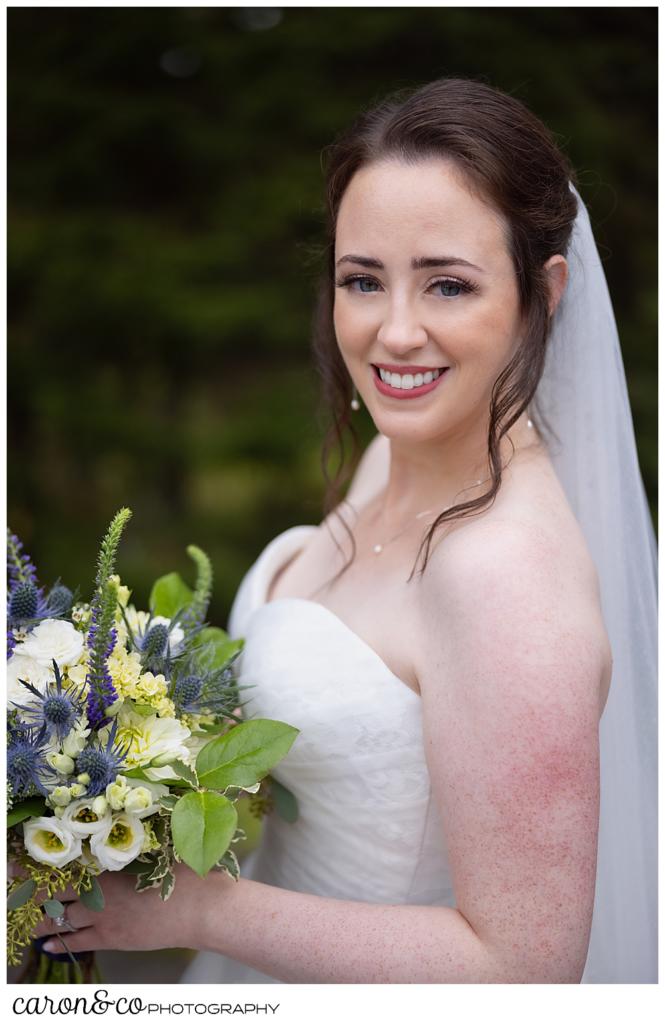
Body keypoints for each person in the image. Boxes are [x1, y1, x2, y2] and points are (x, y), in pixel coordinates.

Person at [37, 77, 657, 984]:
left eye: (447, 284)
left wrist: (202, 907)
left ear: (543, 292)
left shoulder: (504, 573)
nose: (393, 331)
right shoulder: (387, 463)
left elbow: (526, 968)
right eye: (361, 279)